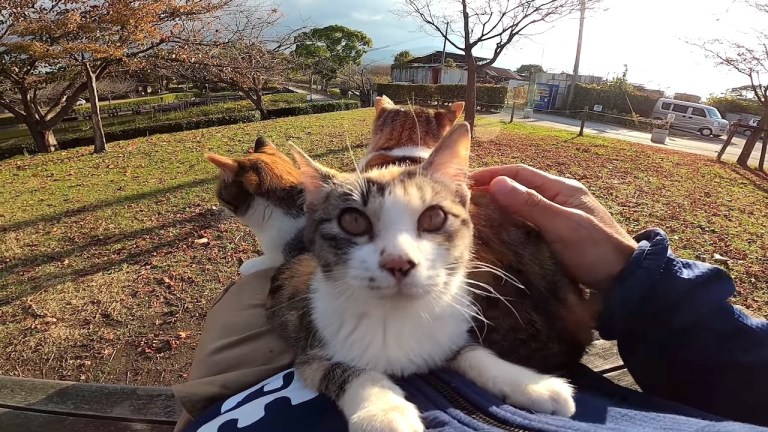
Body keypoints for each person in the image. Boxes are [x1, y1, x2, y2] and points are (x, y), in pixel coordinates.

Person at [173, 164, 768, 432]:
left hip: (233, 396)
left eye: (432, 219)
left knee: (246, 297)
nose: (400, 253)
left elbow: (453, 344)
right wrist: (634, 277)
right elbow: (315, 356)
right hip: (328, 326)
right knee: (265, 284)